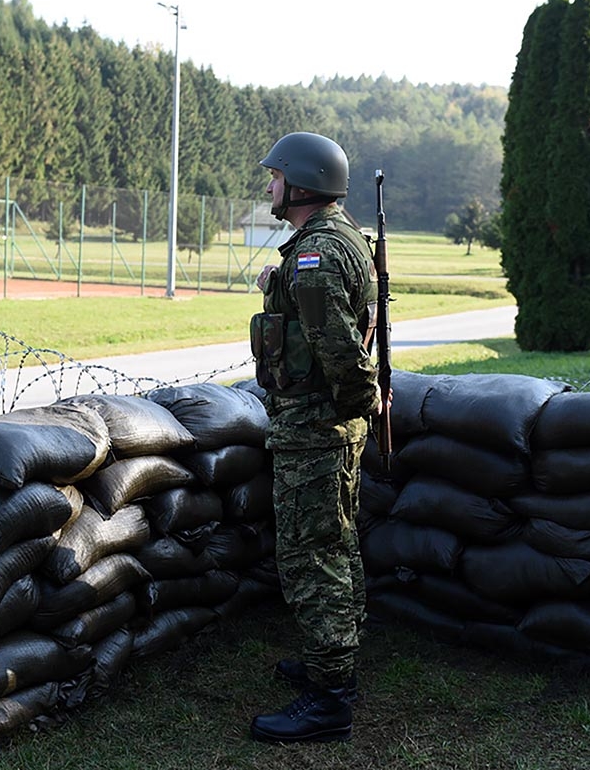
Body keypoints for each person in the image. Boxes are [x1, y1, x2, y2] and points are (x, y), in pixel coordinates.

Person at [248, 131, 380, 743]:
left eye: (276, 177)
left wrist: (350, 407)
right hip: (333, 428)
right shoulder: (336, 240)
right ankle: (336, 663)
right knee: (339, 545)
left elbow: (340, 351)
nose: (269, 185)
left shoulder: (315, 254)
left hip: (314, 431)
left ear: (301, 184)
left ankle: (329, 699)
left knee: (312, 557)